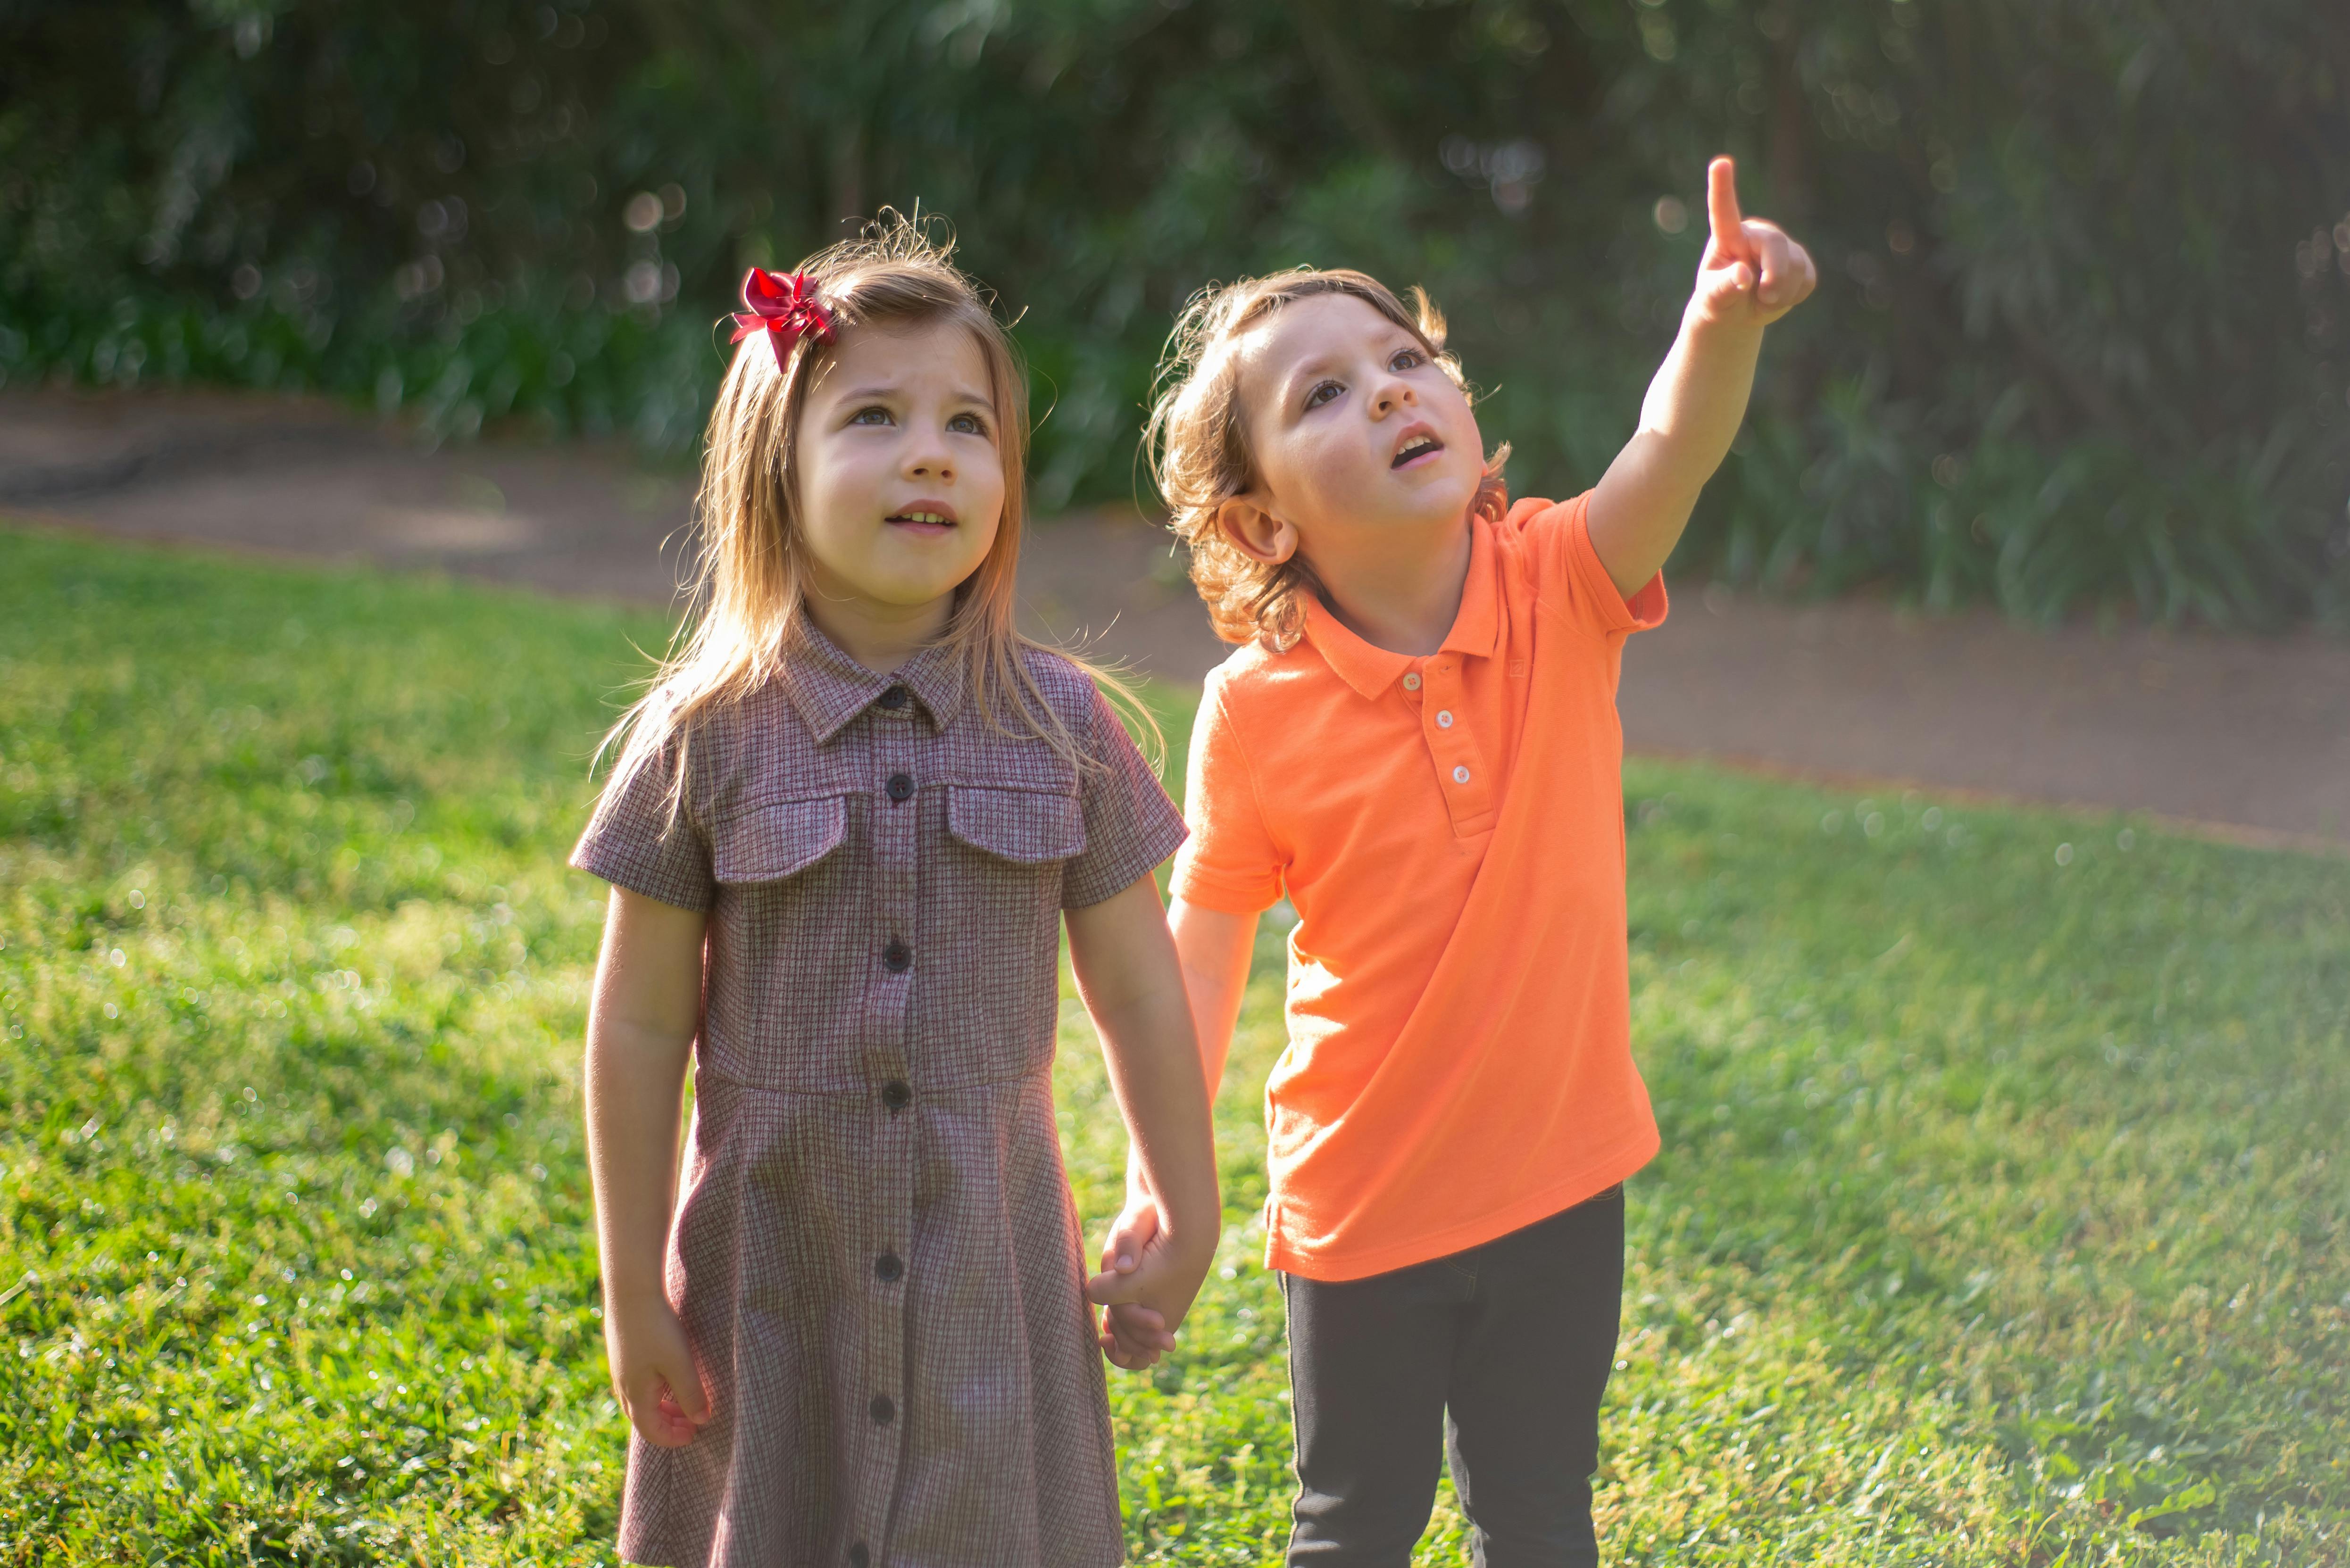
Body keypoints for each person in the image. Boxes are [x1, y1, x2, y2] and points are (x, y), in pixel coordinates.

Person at [1103, 157, 1817, 1563]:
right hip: (1361, 1208)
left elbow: (1669, 450)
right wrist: (1160, 1181)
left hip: (1564, 1184)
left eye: (1403, 359)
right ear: (1262, 523)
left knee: (1541, 1516)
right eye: (1320, 396)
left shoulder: (1563, 579)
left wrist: (1719, 327)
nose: (1383, 390)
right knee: (1355, 1522)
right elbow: (1201, 950)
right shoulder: (1254, 711)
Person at [571, 217, 1219, 1568]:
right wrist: (634, 1287)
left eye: (967, 426)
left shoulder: (1063, 728)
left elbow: (1141, 989)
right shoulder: (705, 736)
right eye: (874, 415)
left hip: (992, 1258)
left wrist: (1186, 1198)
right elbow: (637, 1029)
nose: (931, 452)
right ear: (775, 470)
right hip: (771, 1274)